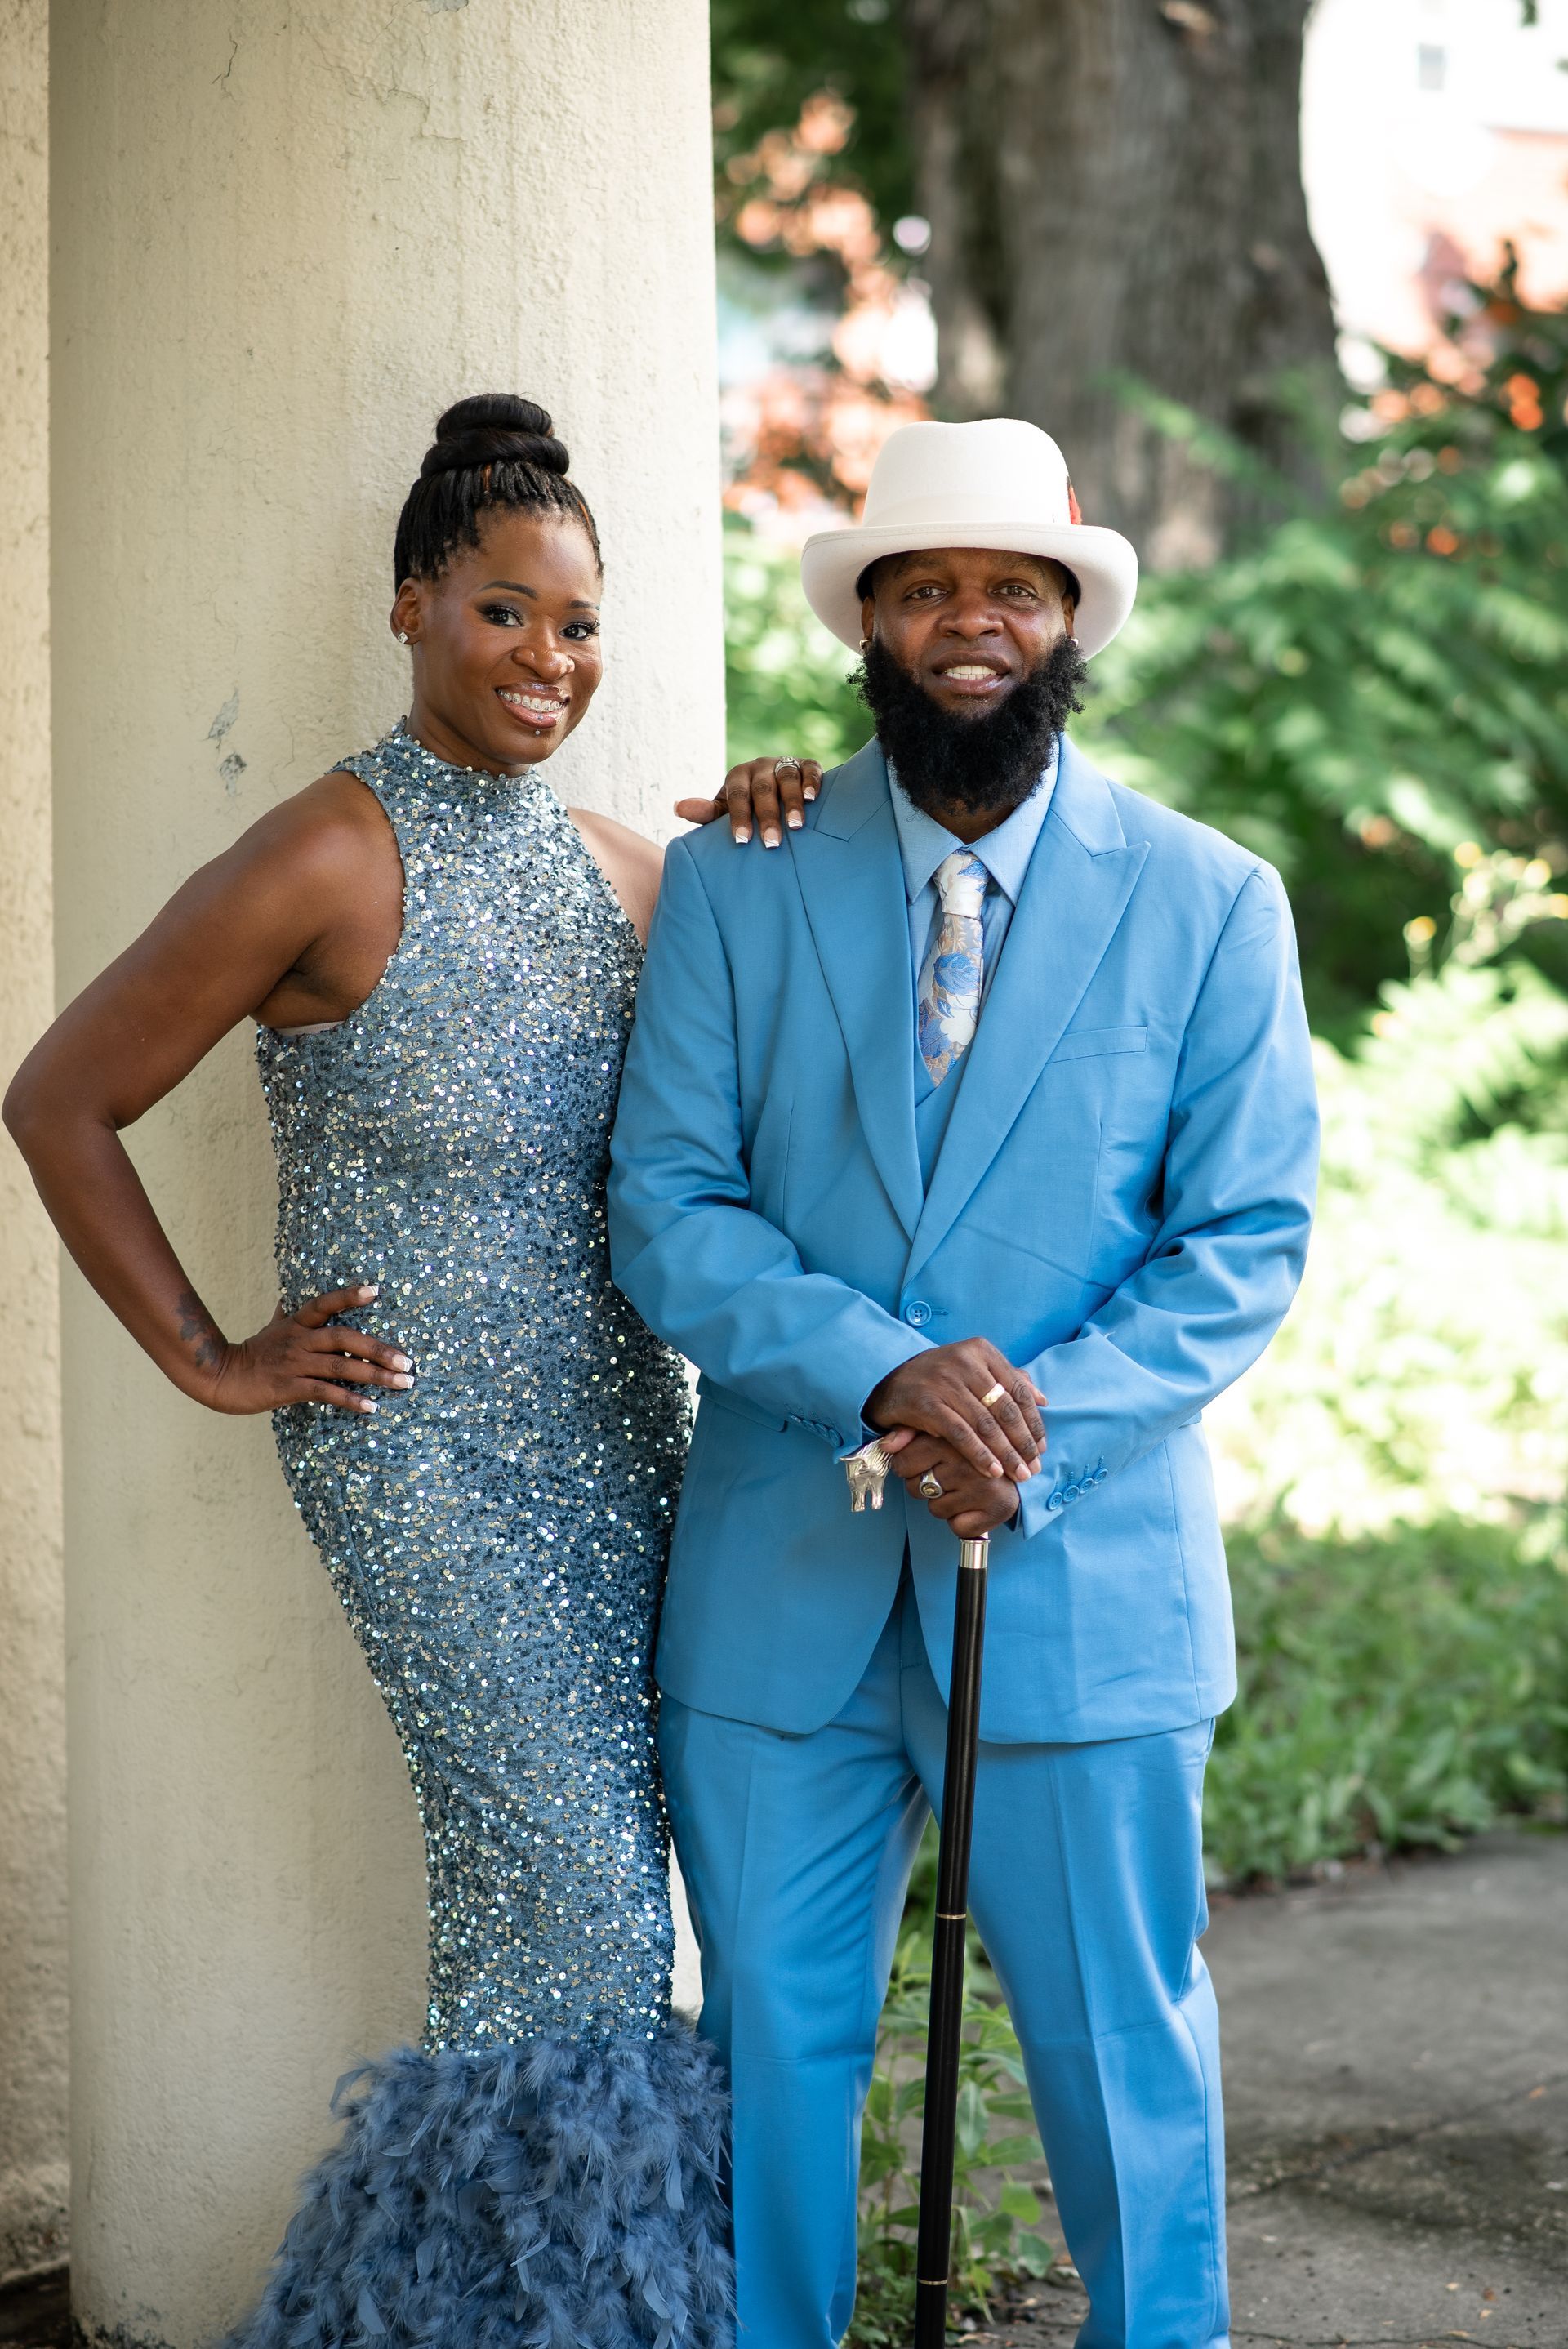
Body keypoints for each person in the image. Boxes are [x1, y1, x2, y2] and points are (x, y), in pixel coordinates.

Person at [2, 394, 806, 2349]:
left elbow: (783, 1047)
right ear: (411, 609)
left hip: (631, 1451)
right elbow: (60, 1096)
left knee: (599, 1924)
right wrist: (211, 1354)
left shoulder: (631, 869)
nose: (551, 659)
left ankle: (453, 2315)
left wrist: (783, 816)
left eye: (582, 624)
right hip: (424, 1466)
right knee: (582, 1914)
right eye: (506, 613)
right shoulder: (325, 850)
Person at [608, 417, 1321, 2349]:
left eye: (1013, 586)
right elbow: (668, 1206)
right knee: (769, 2059)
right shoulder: (741, 878)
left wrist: (1026, 1427)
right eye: (926, 588)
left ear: (1073, 612)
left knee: (1122, 2062)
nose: (970, 622)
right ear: (874, 626)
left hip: (1077, 1583)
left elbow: (1241, 1241)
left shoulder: (1209, 902)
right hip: (782, 1594)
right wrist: (888, 1374)